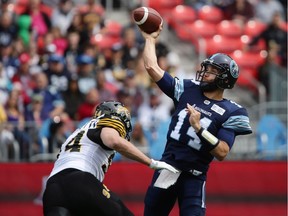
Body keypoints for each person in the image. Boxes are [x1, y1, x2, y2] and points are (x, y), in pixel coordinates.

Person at [140, 26, 252, 216]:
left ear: (224, 79)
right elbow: (152, 67)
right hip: (167, 167)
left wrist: (199, 129)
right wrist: (150, 39)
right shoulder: (188, 88)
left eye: (212, 70)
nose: (205, 72)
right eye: (206, 68)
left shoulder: (232, 111)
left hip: (194, 176)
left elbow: (223, 152)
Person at [42, 101, 178, 216]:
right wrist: (151, 162)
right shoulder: (104, 123)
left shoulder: (77, 132)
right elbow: (112, 140)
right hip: (80, 181)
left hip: (52, 190)